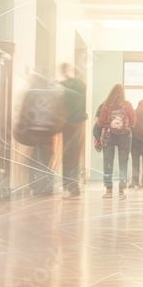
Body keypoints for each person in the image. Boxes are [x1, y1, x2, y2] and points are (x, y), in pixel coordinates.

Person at [96, 83, 136, 199]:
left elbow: (101, 122)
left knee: (108, 162)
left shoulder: (106, 105)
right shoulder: (126, 104)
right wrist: (128, 126)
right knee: (123, 162)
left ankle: (108, 190)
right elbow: (133, 120)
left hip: (109, 134)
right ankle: (121, 190)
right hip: (125, 136)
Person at [59, 63, 86, 199]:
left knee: (68, 155)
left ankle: (70, 186)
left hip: (68, 123)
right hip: (79, 123)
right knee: (74, 155)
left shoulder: (67, 85)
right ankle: (71, 186)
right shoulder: (81, 85)